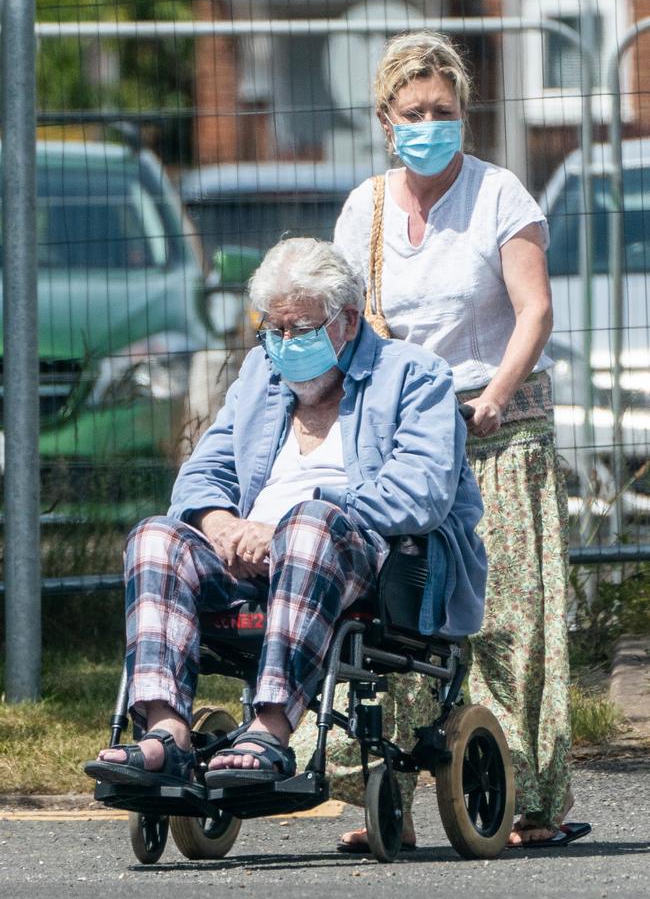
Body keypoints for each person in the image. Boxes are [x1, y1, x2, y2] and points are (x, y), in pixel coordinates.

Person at [85, 237, 486, 791]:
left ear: (347, 320)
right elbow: (203, 474)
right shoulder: (260, 375)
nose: (283, 343)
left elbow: (421, 492)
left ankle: (270, 729)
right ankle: (165, 732)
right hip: (249, 555)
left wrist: (287, 524)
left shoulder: (415, 376)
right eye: (272, 330)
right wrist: (221, 525)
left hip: (366, 561)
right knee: (155, 536)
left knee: (309, 524)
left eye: (300, 329)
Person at [319, 30, 583, 849]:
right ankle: (385, 790)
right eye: (413, 111)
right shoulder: (365, 208)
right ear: (385, 120)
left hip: (492, 431)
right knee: (398, 621)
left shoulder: (500, 195)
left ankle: (517, 800)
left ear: (464, 114)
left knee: (503, 622)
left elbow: (534, 310)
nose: (429, 122)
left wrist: (496, 397)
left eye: (443, 109)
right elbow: (348, 319)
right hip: (406, 441)